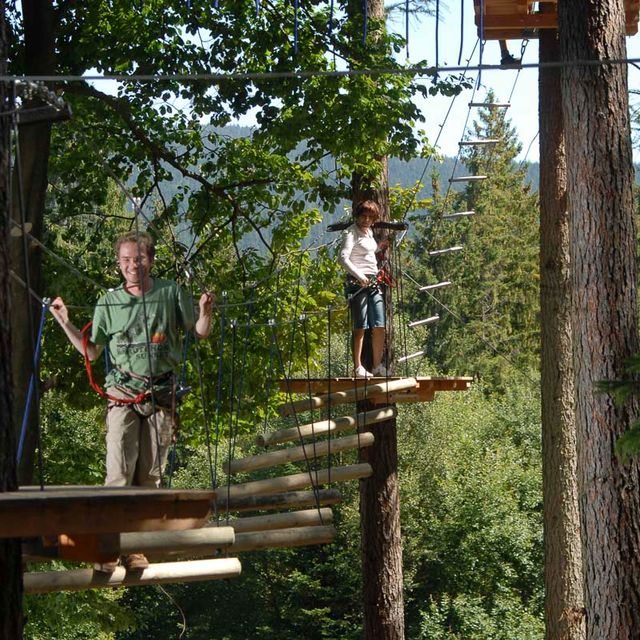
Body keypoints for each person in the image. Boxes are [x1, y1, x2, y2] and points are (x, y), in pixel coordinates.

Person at [50, 230, 213, 572]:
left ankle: (135, 548)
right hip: (122, 393)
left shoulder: (170, 293)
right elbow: (91, 352)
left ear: (150, 260)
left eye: (137, 259)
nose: (131, 266)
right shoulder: (109, 302)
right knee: (118, 474)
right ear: (118, 264)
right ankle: (108, 549)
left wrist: (203, 311)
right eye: (125, 260)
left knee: (150, 477)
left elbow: (197, 331)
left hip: (162, 395)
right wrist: (65, 323)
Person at [339, 200, 389, 379]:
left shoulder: (368, 233)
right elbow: (343, 258)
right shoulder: (350, 232)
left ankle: (376, 366)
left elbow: (369, 251)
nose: (366, 219)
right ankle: (358, 367)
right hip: (357, 283)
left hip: (373, 282)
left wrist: (381, 247)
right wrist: (360, 276)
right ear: (357, 215)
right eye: (363, 216)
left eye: (370, 217)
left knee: (379, 326)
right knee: (360, 326)